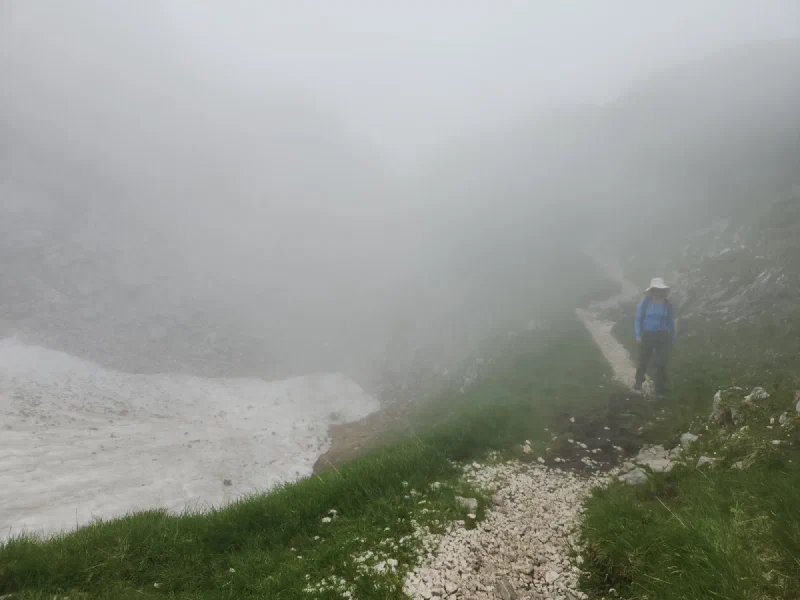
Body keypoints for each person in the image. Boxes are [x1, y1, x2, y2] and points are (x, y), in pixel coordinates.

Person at [633, 278, 675, 398]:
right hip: (647, 335)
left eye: (659, 290)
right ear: (651, 291)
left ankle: (659, 389)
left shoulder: (667, 305)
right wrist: (637, 335)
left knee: (662, 362)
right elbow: (638, 319)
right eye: (655, 290)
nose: (657, 292)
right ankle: (638, 381)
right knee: (643, 360)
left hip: (662, 335)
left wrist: (672, 337)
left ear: (663, 291)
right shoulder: (645, 303)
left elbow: (670, 321)